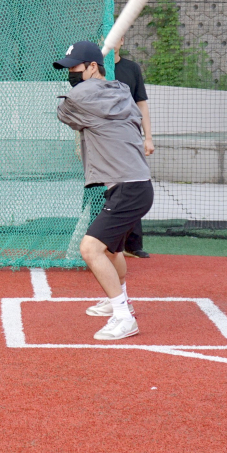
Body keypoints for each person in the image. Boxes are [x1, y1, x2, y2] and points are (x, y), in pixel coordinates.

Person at [54, 40, 153, 341]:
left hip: (128, 187)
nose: (70, 73)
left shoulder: (83, 94)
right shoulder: (120, 91)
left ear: (93, 66)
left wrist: (80, 92)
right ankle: (121, 301)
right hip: (134, 185)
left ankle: (123, 316)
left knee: (90, 249)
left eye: (75, 67)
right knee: (112, 249)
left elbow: (64, 111)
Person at [110, 32, 155, 259]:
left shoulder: (131, 68)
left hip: (130, 139)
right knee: (98, 191)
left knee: (133, 186)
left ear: (122, 41)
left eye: (116, 37)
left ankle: (132, 244)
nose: (112, 42)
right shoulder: (92, 70)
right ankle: (95, 240)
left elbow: (141, 104)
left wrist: (148, 137)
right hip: (103, 141)